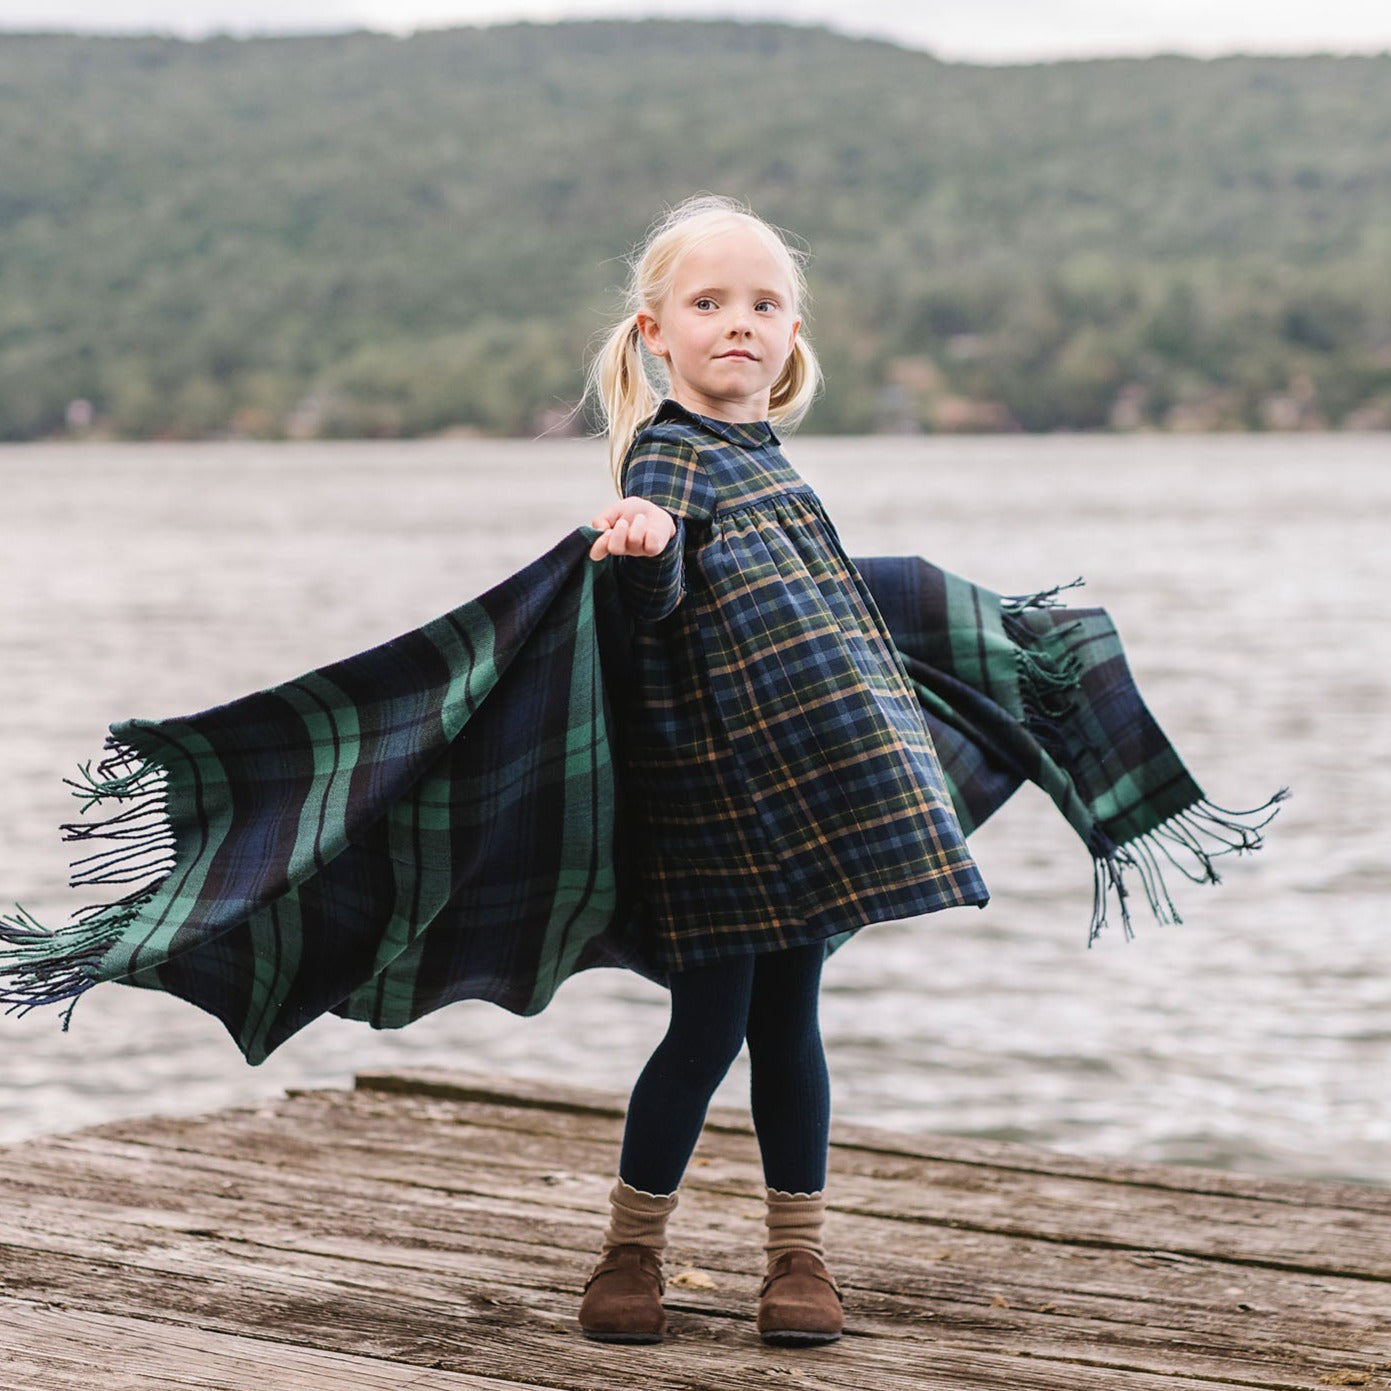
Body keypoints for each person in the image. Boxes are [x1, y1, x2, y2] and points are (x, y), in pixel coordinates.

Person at [577, 195, 989, 1346]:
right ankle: (631, 1247)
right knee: (707, 1026)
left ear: (793, 333)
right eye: (706, 304)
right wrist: (643, 551)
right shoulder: (668, 453)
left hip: (801, 793)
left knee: (790, 1021)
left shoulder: (769, 460)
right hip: (710, 799)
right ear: (656, 332)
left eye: (762, 304)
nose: (737, 323)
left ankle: (797, 1254)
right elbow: (651, 591)